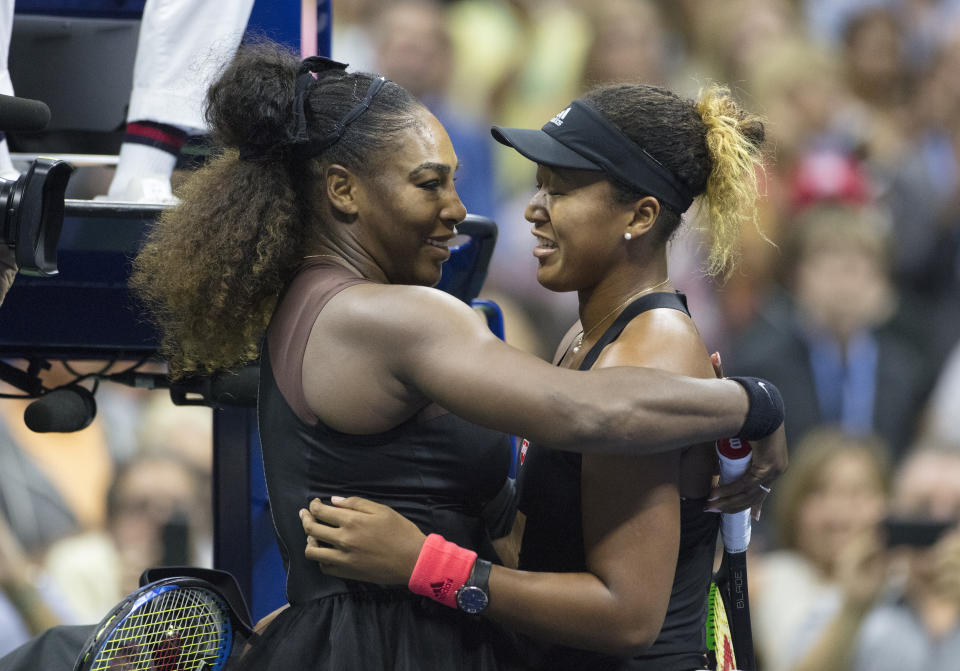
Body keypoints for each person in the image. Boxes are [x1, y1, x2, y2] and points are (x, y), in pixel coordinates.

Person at [124, 43, 784, 671]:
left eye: (561, 188)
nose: (465, 210)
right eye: (428, 184)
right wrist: (755, 404)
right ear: (343, 189)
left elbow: (607, 594)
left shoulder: (317, 302)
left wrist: (408, 569)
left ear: (639, 216)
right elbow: (584, 416)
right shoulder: (402, 316)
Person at [299, 80, 770, 671]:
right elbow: (544, 555)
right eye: (539, 183)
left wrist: (425, 563)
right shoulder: (588, 336)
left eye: (563, 189)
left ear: (641, 215)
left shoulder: (649, 352)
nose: (534, 208)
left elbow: (627, 615)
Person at [749, 427, 890, 671]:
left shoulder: (903, 579)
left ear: (889, 502)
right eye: (820, 493)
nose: (839, 512)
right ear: (794, 505)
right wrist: (852, 608)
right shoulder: (775, 577)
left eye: (857, 493)